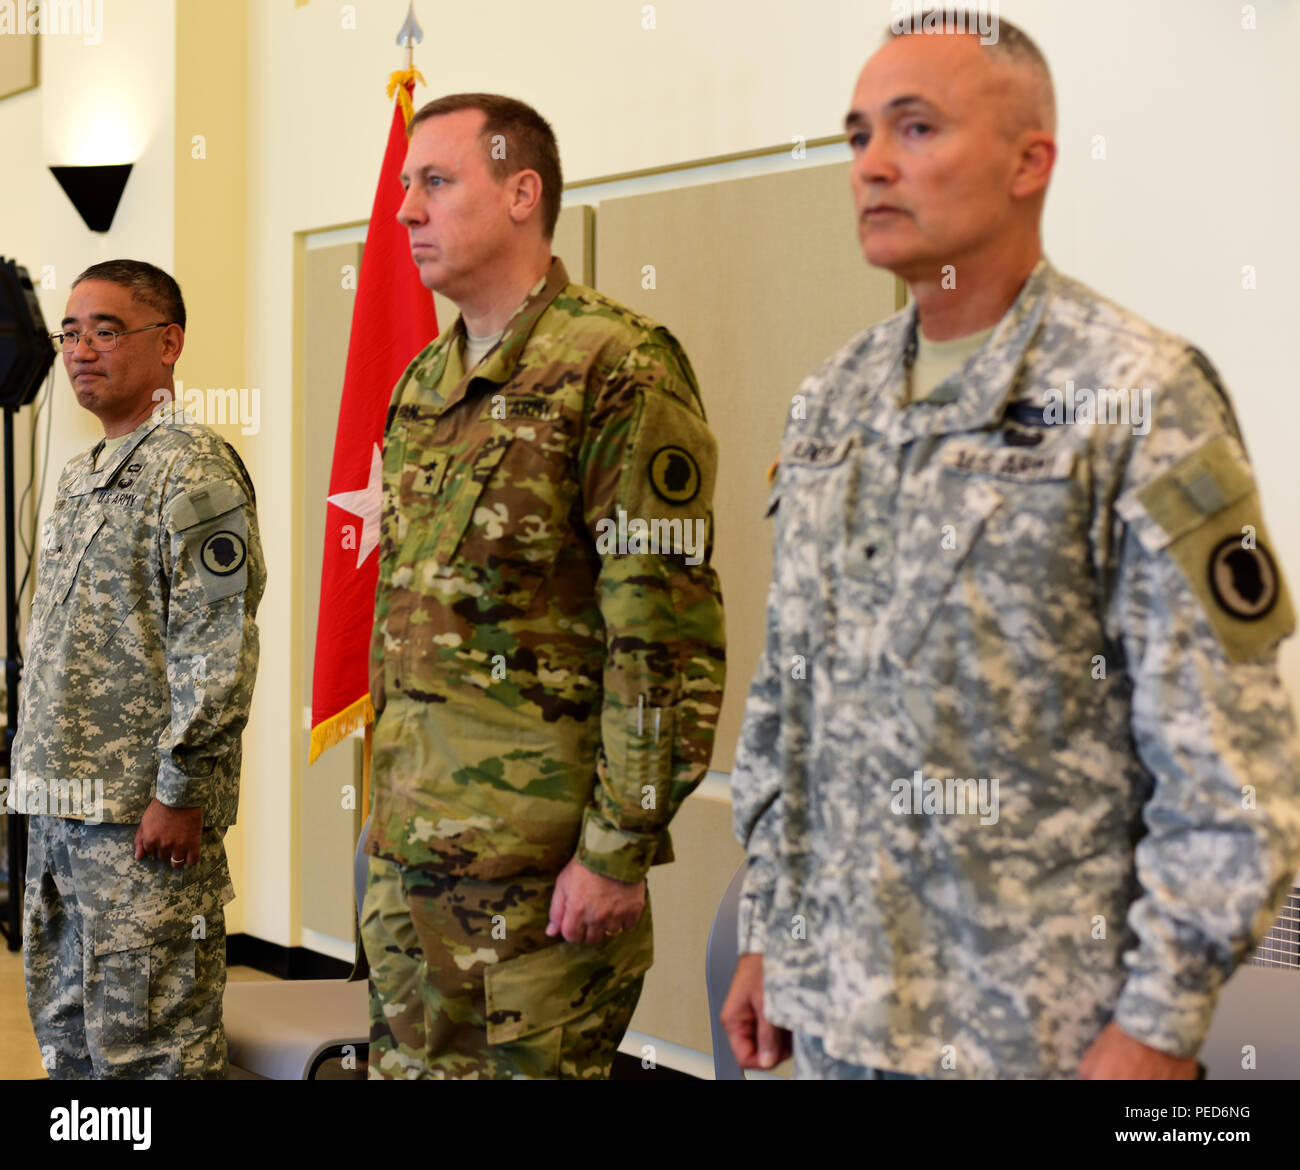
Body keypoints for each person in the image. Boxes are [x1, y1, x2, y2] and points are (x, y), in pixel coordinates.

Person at [722, 13, 1300, 1080]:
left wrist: (1158, 1028)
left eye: (916, 128)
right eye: (857, 137)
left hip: (1040, 1040)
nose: (874, 166)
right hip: (837, 1022)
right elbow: (787, 703)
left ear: (1029, 160)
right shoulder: (831, 399)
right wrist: (768, 927)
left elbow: (1233, 766)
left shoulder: (1136, 393)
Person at [361, 93, 725, 1079]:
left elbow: (665, 636)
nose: (406, 211)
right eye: (404, 186)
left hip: (538, 885)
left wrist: (618, 845)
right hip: (409, 870)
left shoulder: (617, 368)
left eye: (435, 181)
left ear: (523, 193)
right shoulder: (422, 383)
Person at [12, 259, 265, 1079]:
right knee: (70, 1046)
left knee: (153, 1055)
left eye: (108, 330)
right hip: (59, 818)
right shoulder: (82, 475)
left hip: (140, 826)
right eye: (72, 331)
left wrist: (180, 791)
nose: (82, 349)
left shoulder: (193, 467)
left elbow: (216, 643)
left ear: (170, 344)